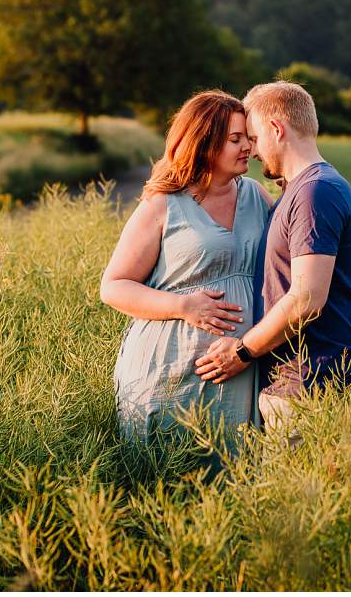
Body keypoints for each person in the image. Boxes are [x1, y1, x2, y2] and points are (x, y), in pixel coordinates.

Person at [102, 90, 274, 448]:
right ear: (205, 143)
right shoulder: (164, 204)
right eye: (235, 139)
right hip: (169, 368)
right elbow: (114, 286)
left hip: (238, 370)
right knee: (167, 476)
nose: (247, 147)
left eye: (248, 137)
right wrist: (183, 306)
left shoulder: (256, 195)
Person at [194, 81, 351, 435]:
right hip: (296, 386)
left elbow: (306, 299)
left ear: (276, 129)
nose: (251, 151)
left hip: (311, 387)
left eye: (253, 139)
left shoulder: (315, 192)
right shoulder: (297, 191)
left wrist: (241, 352)